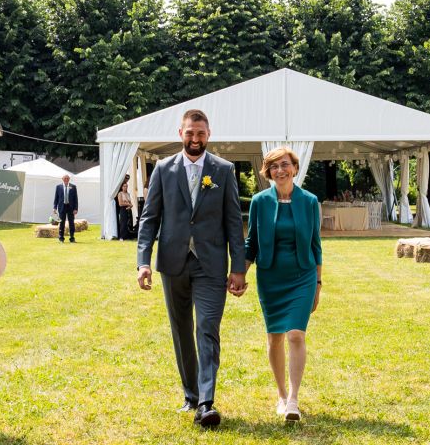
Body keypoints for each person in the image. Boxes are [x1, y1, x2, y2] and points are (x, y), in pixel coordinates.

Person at [136, 109, 246, 428]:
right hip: (173, 263)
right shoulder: (163, 169)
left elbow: (233, 221)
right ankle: (192, 395)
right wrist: (143, 261)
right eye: (189, 133)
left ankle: (207, 402)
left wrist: (238, 268)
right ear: (180, 133)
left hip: (211, 264)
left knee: (207, 327)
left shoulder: (223, 170)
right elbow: (150, 218)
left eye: (200, 133)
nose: (195, 139)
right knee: (181, 329)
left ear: (208, 134)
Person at [244, 147, 322, 423]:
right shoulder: (259, 202)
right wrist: (240, 273)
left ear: (295, 168)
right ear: (268, 172)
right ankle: (280, 394)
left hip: (303, 277)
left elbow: (316, 245)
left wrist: (318, 284)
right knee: (275, 337)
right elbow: (251, 243)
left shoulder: (310, 201)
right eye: (274, 166)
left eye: (285, 164)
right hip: (270, 278)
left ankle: (293, 400)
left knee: (296, 335)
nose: (280, 170)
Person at [54, 173, 79, 243]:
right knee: (62, 223)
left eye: (67, 178)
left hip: (71, 207)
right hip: (62, 207)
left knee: (71, 223)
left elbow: (75, 199)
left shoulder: (73, 187)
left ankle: (72, 238)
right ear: (62, 179)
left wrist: (76, 208)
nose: (66, 180)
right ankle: (61, 238)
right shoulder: (58, 187)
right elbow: (56, 198)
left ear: (69, 179)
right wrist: (54, 207)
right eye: (65, 178)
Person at [115, 176, 135, 241]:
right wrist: (128, 204)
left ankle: (127, 236)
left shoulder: (128, 194)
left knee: (128, 223)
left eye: (126, 186)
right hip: (123, 209)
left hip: (128, 209)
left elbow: (130, 203)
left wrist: (130, 205)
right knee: (123, 223)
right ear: (122, 187)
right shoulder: (120, 194)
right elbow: (120, 203)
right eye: (124, 186)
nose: (125, 187)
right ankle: (122, 236)